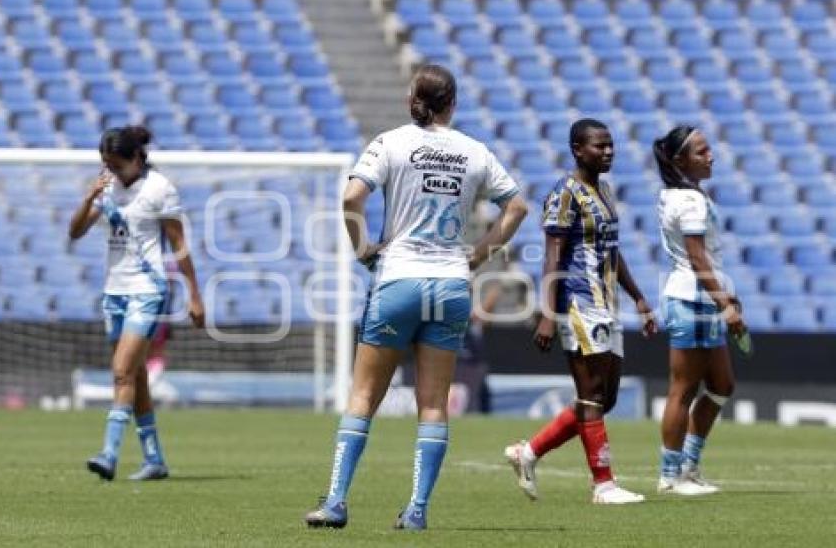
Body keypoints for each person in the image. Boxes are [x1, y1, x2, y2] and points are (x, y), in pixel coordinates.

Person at [304, 64, 527, 530]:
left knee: (364, 394)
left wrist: (363, 248)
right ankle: (417, 511)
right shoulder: (475, 151)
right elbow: (518, 206)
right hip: (449, 283)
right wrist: (479, 256)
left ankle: (336, 502)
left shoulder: (390, 143)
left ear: (412, 99)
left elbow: (350, 200)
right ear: (454, 103)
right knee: (433, 402)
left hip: (398, 278)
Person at [504, 119, 657, 505]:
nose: (608, 152)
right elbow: (553, 256)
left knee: (605, 399)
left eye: (611, 146)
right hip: (577, 302)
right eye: (599, 146)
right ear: (577, 149)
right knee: (590, 395)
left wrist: (638, 296)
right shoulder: (564, 194)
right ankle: (603, 485)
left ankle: (529, 452)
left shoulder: (603, 191)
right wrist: (547, 313)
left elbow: (612, 250)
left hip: (607, 303)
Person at [68, 126, 205, 481]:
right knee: (135, 375)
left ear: (136, 158)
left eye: (115, 165)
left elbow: (179, 243)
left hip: (148, 289)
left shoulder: (160, 189)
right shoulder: (107, 186)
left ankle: (108, 454)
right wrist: (88, 198)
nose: (110, 171)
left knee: (121, 370)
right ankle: (154, 459)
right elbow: (75, 232)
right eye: (105, 165)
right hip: (114, 291)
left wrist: (194, 293)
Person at [653, 126, 746, 495]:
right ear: (680, 160)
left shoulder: (682, 194)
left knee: (722, 385)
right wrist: (725, 302)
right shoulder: (688, 201)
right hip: (691, 301)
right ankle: (670, 476)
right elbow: (695, 257)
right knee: (683, 389)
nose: (711, 156)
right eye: (701, 152)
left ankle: (688, 467)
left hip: (704, 299)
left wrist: (725, 296)